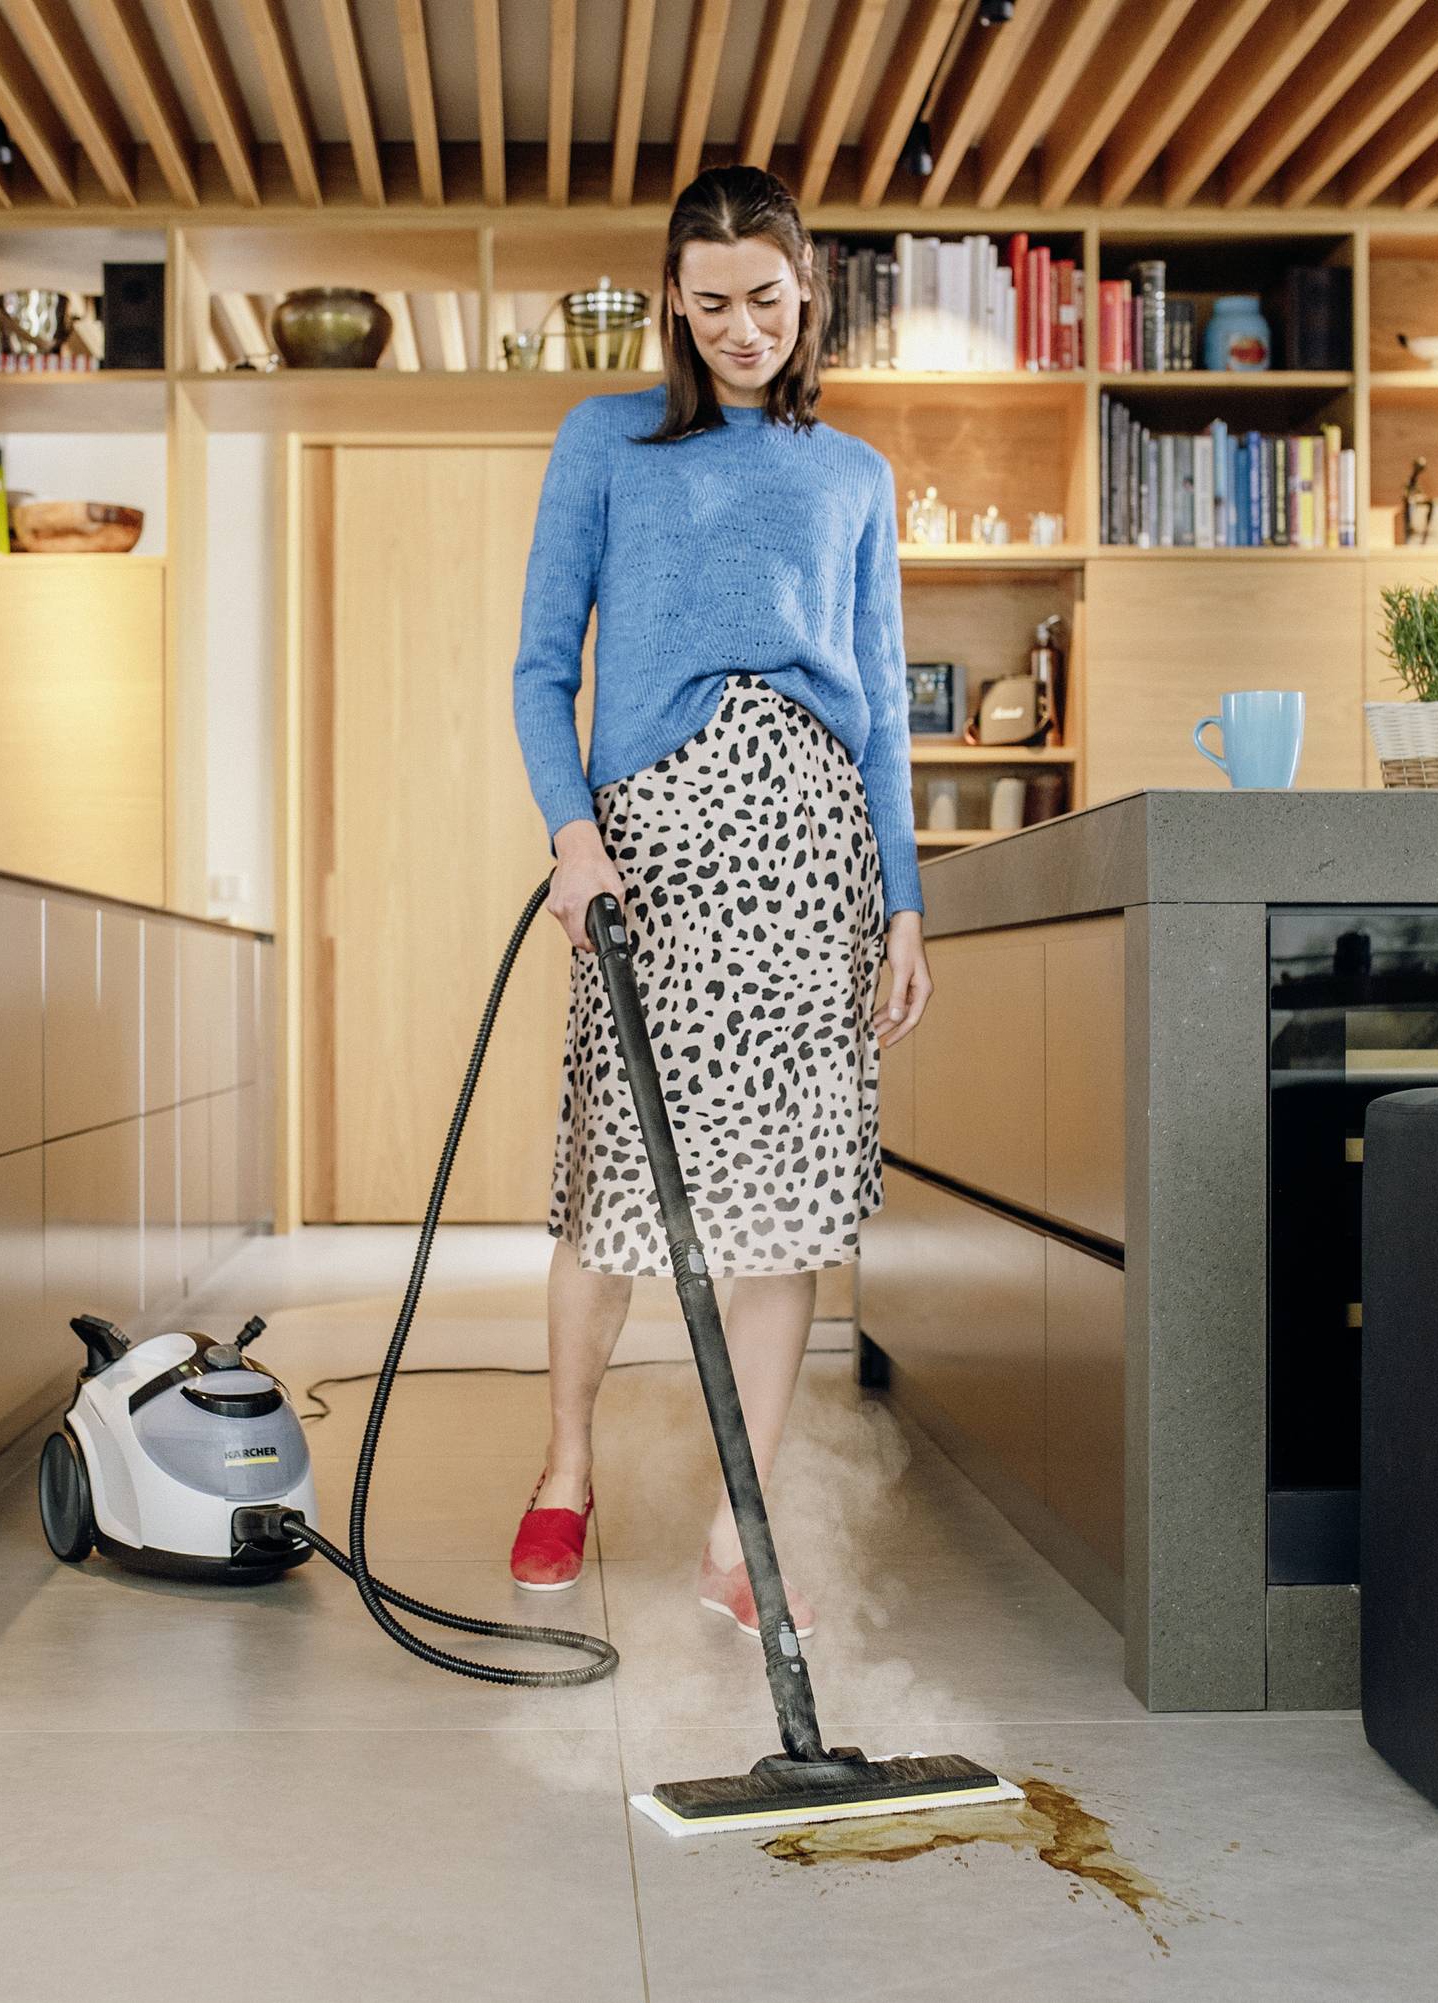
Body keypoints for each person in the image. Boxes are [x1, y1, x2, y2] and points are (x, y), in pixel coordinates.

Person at [505, 163, 932, 1635]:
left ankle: (742, 1531)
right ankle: (566, 1464)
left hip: (815, 863)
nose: (741, 328)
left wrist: (904, 904)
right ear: (673, 306)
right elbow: (540, 666)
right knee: (617, 1190)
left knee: (784, 1213)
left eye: (765, 298)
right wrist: (573, 835)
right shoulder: (608, 441)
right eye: (709, 304)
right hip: (657, 861)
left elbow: (879, 701)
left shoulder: (854, 478)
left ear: (806, 291)